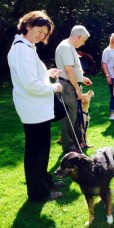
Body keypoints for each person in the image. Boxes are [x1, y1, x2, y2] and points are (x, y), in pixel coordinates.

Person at [7, 10, 63, 201]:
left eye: (45, 33)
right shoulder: (22, 49)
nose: (42, 36)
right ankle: (38, 193)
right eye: (39, 30)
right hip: (33, 109)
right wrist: (55, 87)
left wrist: (47, 73)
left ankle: (45, 181)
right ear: (28, 26)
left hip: (38, 109)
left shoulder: (27, 46)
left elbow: (32, 77)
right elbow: (30, 85)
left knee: (42, 150)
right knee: (35, 153)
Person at [55, 25, 93, 153]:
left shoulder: (69, 46)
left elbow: (73, 69)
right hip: (67, 86)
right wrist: (77, 88)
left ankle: (79, 143)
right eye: (83, 40)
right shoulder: (65, 47)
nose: (83, 43)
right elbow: (68, 70)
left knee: (76, 116)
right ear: (78, 37)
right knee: (69, 118)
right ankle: (69, 147)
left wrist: (82, 78)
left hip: (71, 83)